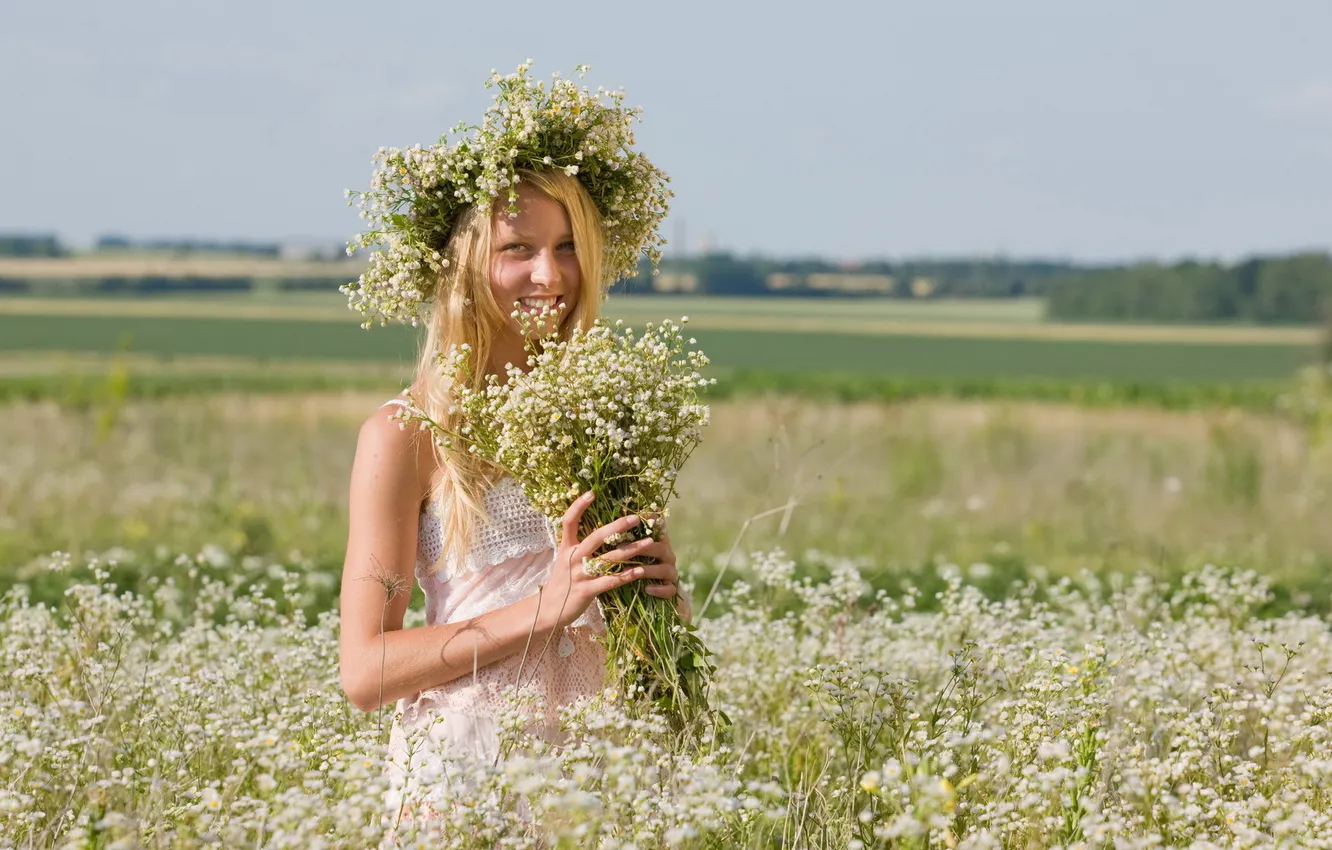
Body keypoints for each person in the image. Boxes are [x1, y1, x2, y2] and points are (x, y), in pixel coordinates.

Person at [334, 63, 685, 825]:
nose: (549, 275)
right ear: (464, 265)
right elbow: (365, 671)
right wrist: (543, 607)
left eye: (566, 247)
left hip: (605, 773)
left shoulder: (609, 417)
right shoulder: (405, 436)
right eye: (518, 249)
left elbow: (636, 637)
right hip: (472, 779)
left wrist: (663, 596)